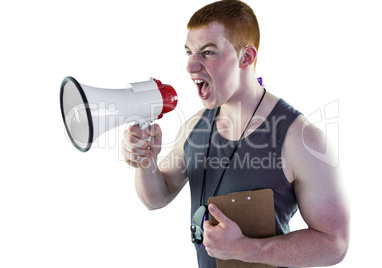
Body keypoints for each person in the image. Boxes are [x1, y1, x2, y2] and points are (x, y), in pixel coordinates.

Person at [121, 0, 350, 267]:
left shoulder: (301, 138)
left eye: (207, 52)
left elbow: (335, 244)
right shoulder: (195, 126)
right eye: (189, 52)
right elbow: (157, 198)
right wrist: (145, 162)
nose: (191, 66)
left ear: (246, 57)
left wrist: (244, 248)